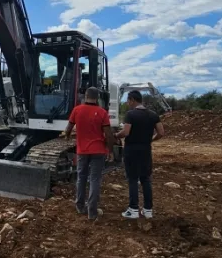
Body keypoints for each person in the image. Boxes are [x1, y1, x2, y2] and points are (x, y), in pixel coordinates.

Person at [64, 87, 115, 220]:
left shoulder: (76, 110)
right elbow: (109, 134)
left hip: (82, 151)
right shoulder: (102, 112)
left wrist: (67, 136)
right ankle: (92, 212)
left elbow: (68, 129)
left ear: (85, 96)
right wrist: (109, 150)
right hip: (98, 150)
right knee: (95, 179)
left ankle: (80, 206)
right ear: (97, 97)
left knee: (81, 178)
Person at [115, 90, 165, 219]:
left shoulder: (130, 114)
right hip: (146, 150)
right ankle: (148, 210)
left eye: (128, 100)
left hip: (131, 150)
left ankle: (133, 209)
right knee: (145, 179)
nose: (127, 103)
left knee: (132, 179)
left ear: (132, 100)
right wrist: (151, 140)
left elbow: (126, 132)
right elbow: (161, 132)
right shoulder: (153, 115)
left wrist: (115, 135)